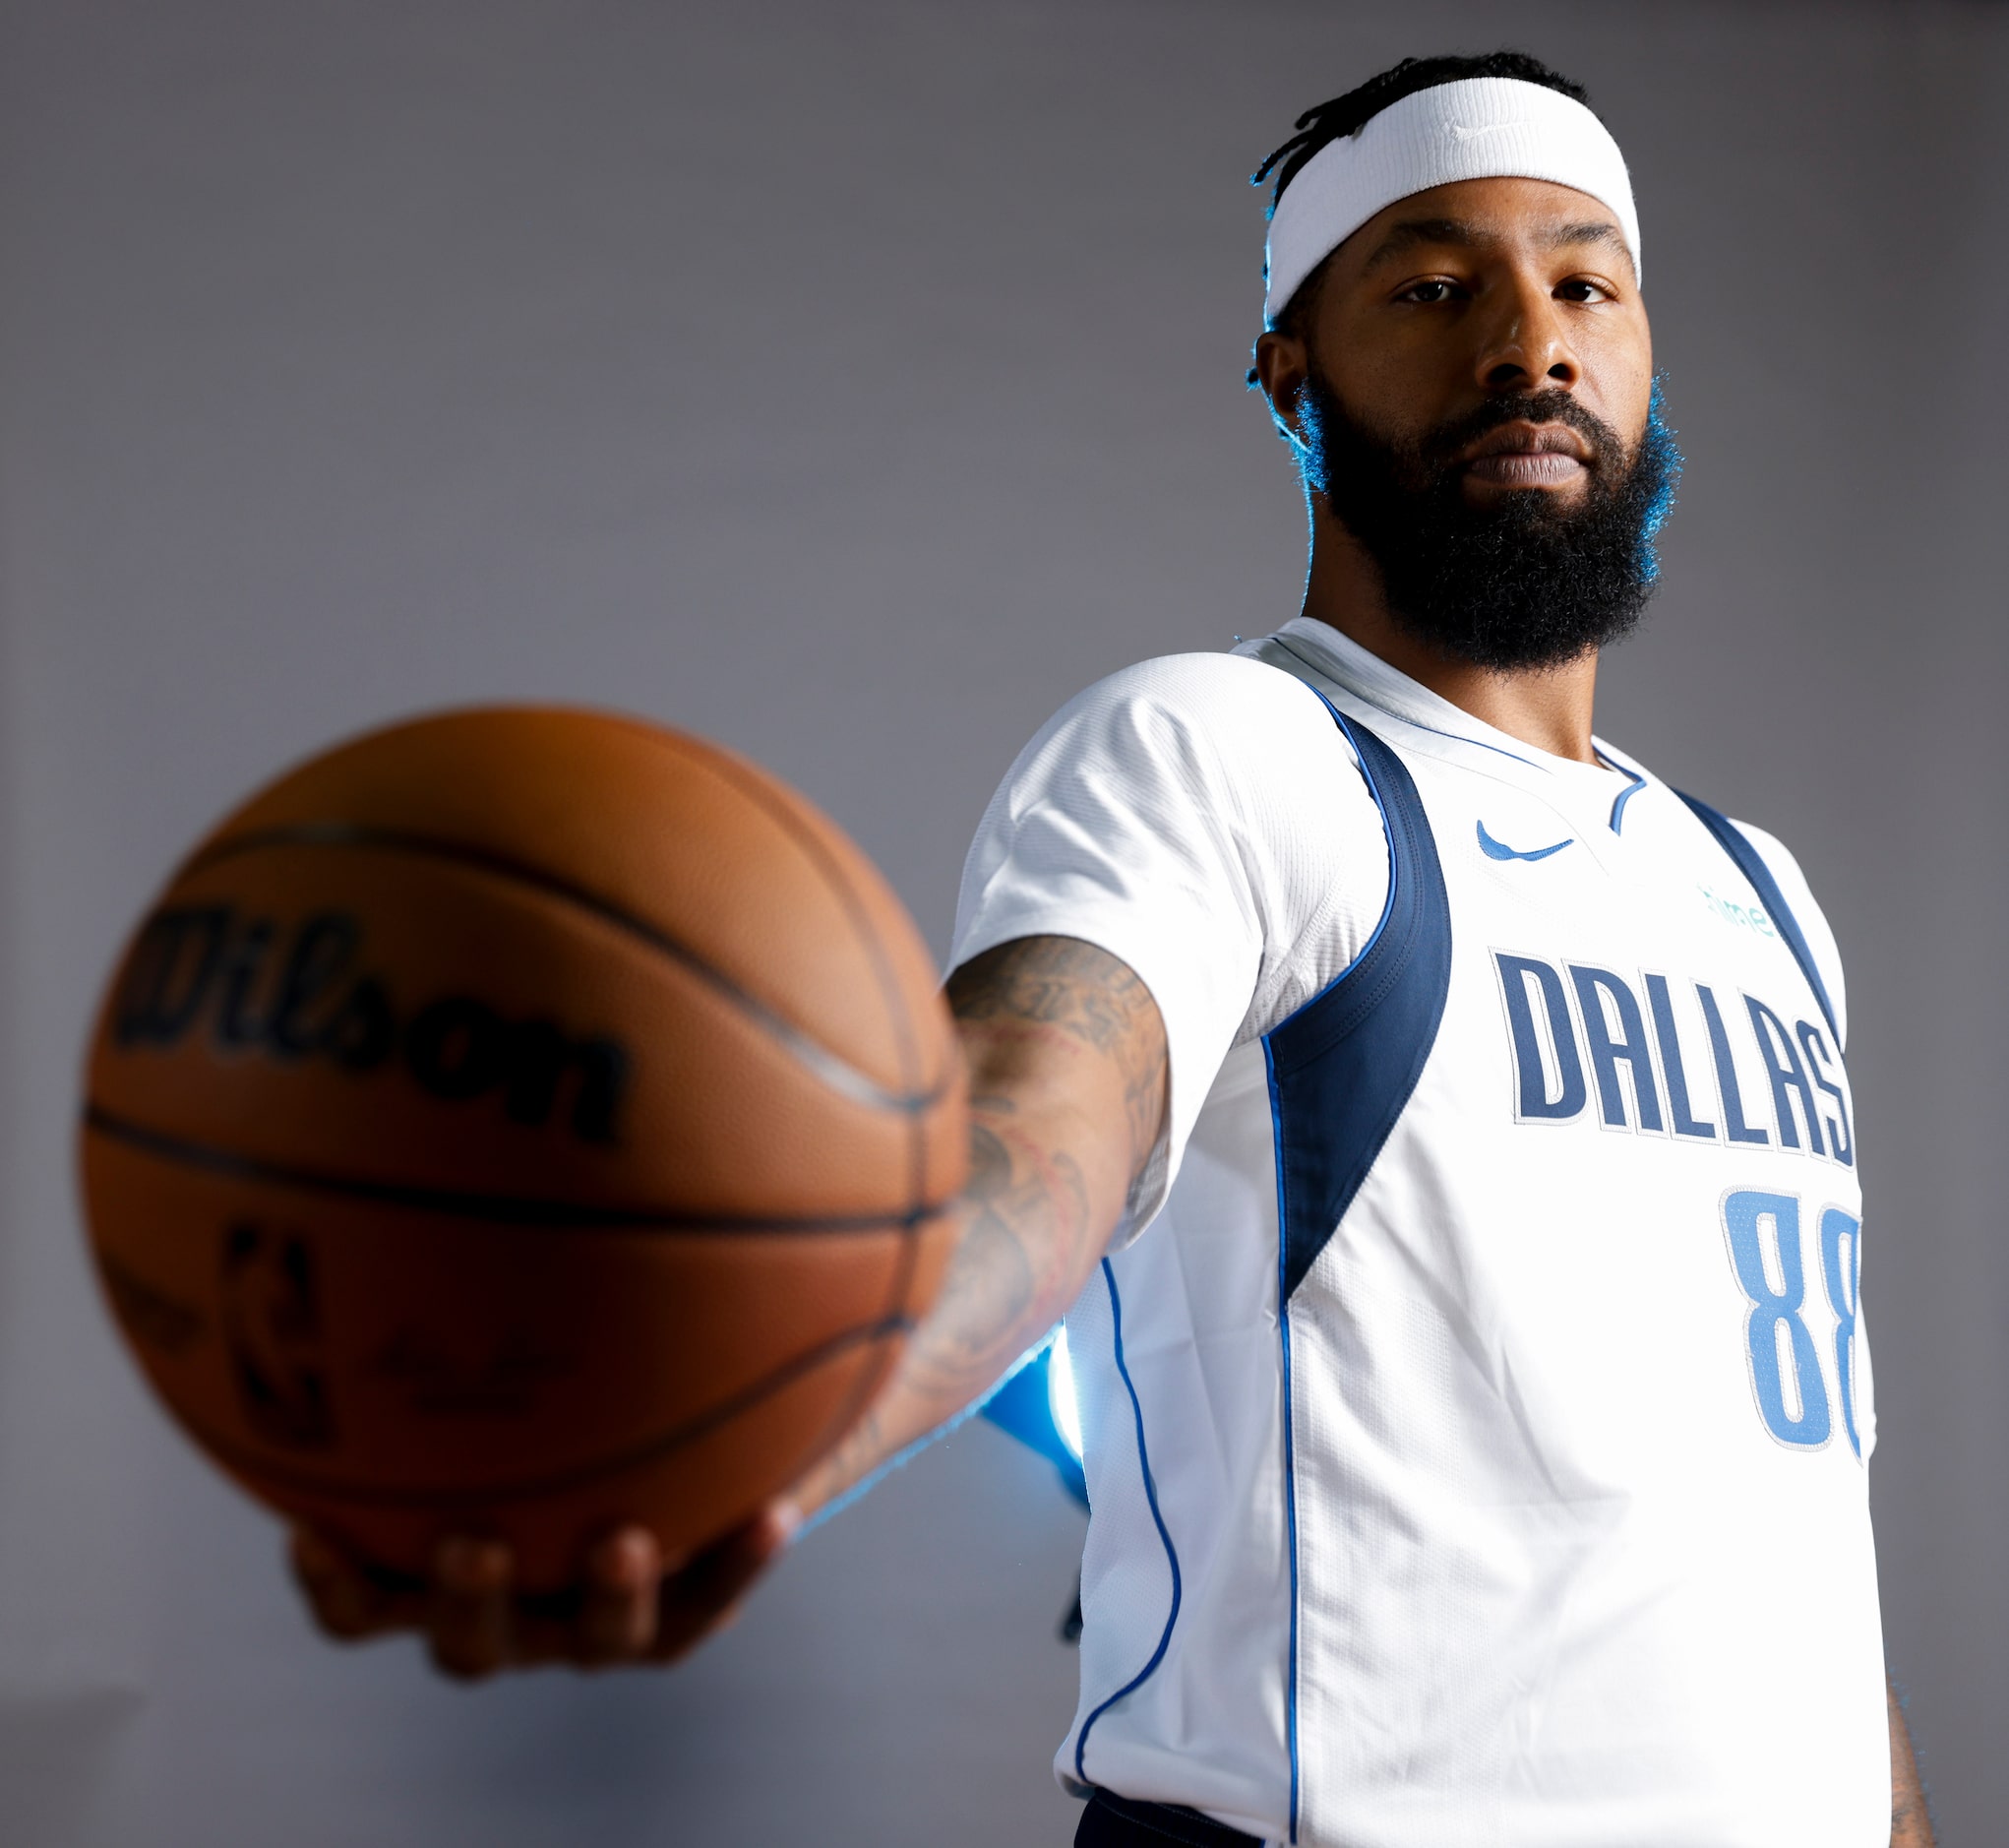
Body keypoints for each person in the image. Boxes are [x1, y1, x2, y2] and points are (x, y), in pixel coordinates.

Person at [294, 50, 1935, 1848]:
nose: (1529, 342)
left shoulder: (1759, 891)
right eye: (1434, 284)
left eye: (1583, 282)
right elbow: (1017, 1140)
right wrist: (703, 1433)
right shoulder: (1223, 753)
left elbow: (1790, 1533)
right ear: (1290, 380)